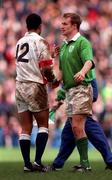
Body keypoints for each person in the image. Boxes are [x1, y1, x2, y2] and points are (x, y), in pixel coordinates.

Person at [15, 13, 59, 172]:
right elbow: (46, 68)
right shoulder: (41, 41)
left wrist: (51, 56)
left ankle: (27, 164)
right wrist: (54, 80)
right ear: (40, 26)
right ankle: (38, 162)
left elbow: (30, 61)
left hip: (19, 86)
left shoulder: (19, 42)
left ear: (27, 26)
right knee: (43, 125)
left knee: (25, 128)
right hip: (34, 86)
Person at [55, 12, 96, 172]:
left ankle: (86, 165)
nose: (61, 26)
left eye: (65, 23)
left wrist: (82, 72)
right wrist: (52, 78)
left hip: (82, 89)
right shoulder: (64, 45)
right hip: (70, 91)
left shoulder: (82, 42)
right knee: (75, 128)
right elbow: (60, 73)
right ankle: (84, 163)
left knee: (78, 127)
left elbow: (89, 61)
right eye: (62, 23)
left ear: (74, 26)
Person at [49, 79, 112, 171]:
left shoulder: (81, 67)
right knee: (69, 133)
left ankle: (92, 164)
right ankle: (58, 164)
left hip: (81, 94)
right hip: (75, 96)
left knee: (86, 127)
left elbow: (88, 69)